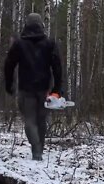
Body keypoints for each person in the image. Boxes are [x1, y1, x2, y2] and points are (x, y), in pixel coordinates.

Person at [4, 13, 63, 161]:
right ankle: (39, 151)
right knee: (41, 120)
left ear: (26, 25)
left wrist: (9, 84)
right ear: (41, 25)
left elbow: (8, 65)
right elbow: (57, 67)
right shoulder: (49, 44)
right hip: (44, 89)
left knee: (30, 120)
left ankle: (36, 151)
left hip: (26, 89)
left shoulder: (19, 44)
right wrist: (57, 89)